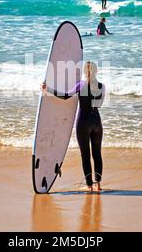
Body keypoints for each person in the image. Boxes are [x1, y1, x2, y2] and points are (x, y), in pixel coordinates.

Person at [41, 62, 106, 193]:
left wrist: (48, 89)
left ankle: (89, 186)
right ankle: (98, 185)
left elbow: (65, 96)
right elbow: (99, 104)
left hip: (83, 122)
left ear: (83, 71)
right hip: (97, 122)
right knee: (97, 153)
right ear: (96, 71)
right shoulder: (101, 86)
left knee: (85, 155)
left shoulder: (81, 85)